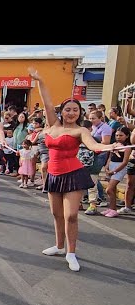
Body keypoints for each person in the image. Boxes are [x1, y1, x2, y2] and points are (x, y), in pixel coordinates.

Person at [28, 68, 116, 272]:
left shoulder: (81, 130)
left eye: (75, 110)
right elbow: (47, 101)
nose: (71, 113)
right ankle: (59, 247)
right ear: (62, 111)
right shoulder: (53, 124)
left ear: (80, 113)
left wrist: (106, 147)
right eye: (68, 109)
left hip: (74, 175)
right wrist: (40, 79)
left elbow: (93, 145)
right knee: (56, 214)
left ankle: (71, 252)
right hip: (53, 175)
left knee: (71, 216)